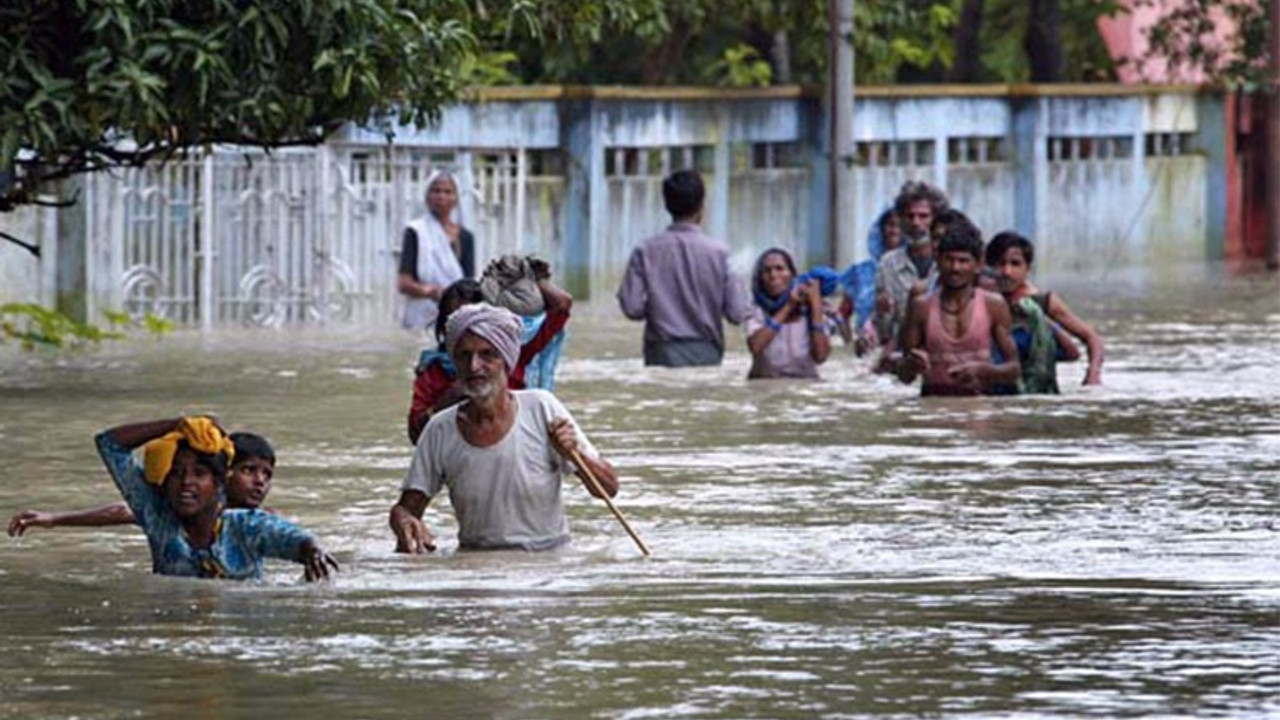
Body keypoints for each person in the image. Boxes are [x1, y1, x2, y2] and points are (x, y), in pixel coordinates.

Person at [390, 303, 619, 553]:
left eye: (487, 354)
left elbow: (608, 488)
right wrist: (403, 521)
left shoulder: (542, 408)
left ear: (507, 362)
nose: (475, 366)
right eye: (464, 356)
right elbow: (407, 509)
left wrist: (574, 452)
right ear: (455, 363)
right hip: (476, 566)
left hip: (548, 561)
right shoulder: (439, 429)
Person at [94, 416, 337, 580]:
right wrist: (177, 424)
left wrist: (313, 552)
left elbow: (298, 540)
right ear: (165, 483)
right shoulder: (157, 518)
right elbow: (109, 444)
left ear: (221, 483)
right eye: (177, 473)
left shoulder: (248, 525)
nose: (186, 482)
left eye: (199, 474)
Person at [407, 273, 573, 444]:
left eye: (478, 324)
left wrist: (525, 274)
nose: (474, 365)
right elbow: (416, 435)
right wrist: (451, 397)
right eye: (459, 324)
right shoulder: (433, 371)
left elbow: (561, 305)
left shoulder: (514, 353)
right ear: (445, 331)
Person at [8, 432, 279, 536]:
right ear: (223, 475)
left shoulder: (265, 522)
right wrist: (54, 519)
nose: (259, 482)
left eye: (267, 475)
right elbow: (123, 511)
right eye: (249, 470)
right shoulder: (178, 511)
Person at [617, 169, 750, 367]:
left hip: (661, 351)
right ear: (701, 205)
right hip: (707, 350)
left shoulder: (645, 250)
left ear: (666, 205)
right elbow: (737, 313)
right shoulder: (720, 253)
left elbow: (632, 308)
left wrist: (660, 306)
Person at [897, 222, 1020, 396]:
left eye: (963, 261)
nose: (955, 268)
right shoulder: (921, 307)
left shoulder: (993, 305)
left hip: (979, 405)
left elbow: (1014, 369)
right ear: (938, 261)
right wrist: (912, 365)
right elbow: (904, 376)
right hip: (933, 405)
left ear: (978, 265)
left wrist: (984, 371)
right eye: (949, 259)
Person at [986, 231, 1104, 386]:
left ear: (1027, 269)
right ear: (988, 267)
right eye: (1001, 263)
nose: (1007, 272)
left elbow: (1091, 338)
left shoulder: (1041, 303)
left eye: (1015, 264)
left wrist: (1093, 373)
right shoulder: (981, 299)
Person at [874, 181, 949, 353]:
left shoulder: (953, 261)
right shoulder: (888, 264)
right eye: (910, 216)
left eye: (923, 216)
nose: (916, 223)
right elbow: (884, 331)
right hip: (906, 353)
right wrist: (882, 313)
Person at [397, 170, 476, 331]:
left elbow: (469, 285)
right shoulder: (415, 232)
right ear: (427, 196)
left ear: (456, 198)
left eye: (448, 192)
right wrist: (434, 292)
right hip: (421, 316)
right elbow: (404, 283)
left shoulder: (466, 237)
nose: (441, 197)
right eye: (436, 191)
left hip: (456, 317)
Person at [745, 248, 831, 379]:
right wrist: (788, 306)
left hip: (804, 386)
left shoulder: (810, 309)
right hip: (765, 385)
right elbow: (756, 346)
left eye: (780, 269)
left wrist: (816, 306)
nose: (773, 275)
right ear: (760, 278)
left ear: (792, 275)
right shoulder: (757, 309)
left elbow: (821, 356)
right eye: (767, 271)